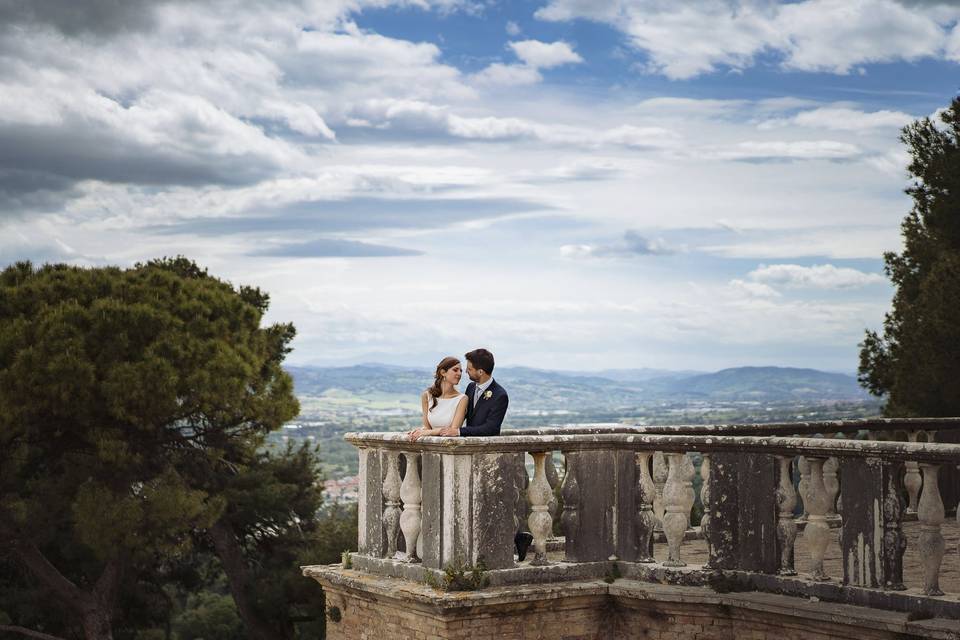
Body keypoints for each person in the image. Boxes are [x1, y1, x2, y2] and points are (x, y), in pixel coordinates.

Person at [406, 356, 468, 441]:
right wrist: (421, 431)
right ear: (443, 372)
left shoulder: (462, 399)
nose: (460, 373)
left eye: (461, 371)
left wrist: (425, 432)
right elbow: (427, 428)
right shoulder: (426, 396)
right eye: (455, 370)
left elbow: (452, 431)